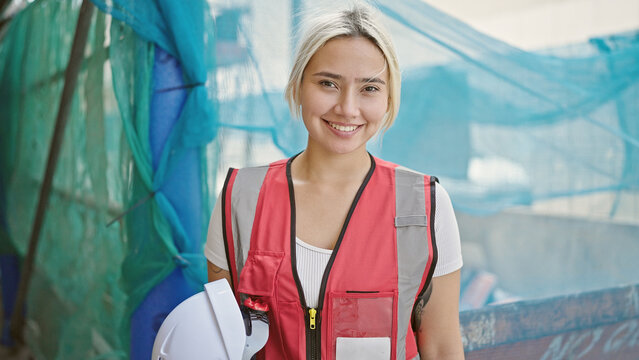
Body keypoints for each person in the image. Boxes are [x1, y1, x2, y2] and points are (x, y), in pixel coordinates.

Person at [205, 2, 464, 359]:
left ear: (389, 99)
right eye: (328, 83)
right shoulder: (241, 198)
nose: (347, 107)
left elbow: (442, 347)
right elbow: (222, 345)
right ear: (297, 86)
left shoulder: (425, 206)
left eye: (369, 88)